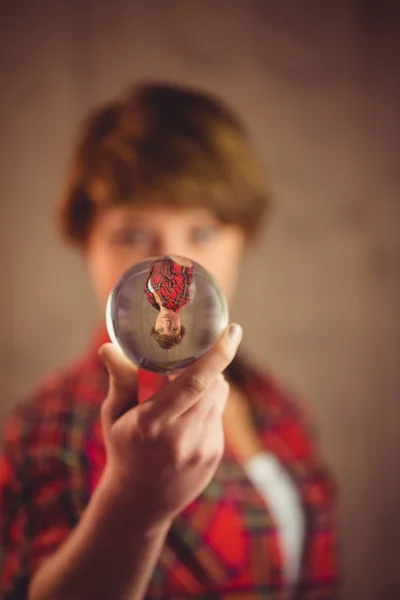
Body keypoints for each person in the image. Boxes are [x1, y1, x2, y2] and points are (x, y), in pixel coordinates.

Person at [0, 82, 339, 600]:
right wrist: (131, 506)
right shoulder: (52, 431)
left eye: (202, 232)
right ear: (87, 242)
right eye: (135, 235)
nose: (173, 266)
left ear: (242, 238)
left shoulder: (277, 405)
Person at [144, 256, 194, 348]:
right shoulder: (182, 297)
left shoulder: (151, 300)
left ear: (154, 326)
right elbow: (185, 266)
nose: (167, 323)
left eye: (160, 329)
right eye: (174, 329)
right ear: (180, 325)